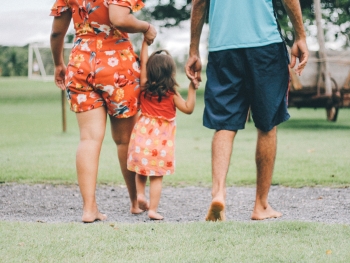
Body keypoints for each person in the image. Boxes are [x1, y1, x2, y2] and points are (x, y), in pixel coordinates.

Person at [186, 0, 309, 221]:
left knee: (224, 123)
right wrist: (300, 36)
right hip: (265, 44)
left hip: (222, 46)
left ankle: (219, 192)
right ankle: (260, 205)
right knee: (267, 124)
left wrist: (193, 50)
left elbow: (199, 2)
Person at [50, 0, 157, 223]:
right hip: (117, 65)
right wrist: (146, 27)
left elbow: (57, 34)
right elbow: (119, 18)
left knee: (88, 139)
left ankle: (90, 209)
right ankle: (135, 202)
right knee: (124, 140)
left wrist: (58, 63)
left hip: (81, 63)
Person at [127, 40, 197, 220]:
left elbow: (143, 61)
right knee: (156, 176)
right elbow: (189, 108)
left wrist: (144, 43)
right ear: (171, 73)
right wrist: (192, 87)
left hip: (141, 138)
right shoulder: (171, 94)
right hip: (161, 144)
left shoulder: (144, 87)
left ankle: (140, 195)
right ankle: (153, 210)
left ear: (149, 70)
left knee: (141, 170)